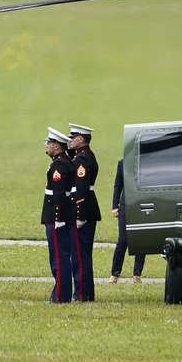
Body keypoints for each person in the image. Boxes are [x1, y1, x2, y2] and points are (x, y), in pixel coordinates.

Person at [67, 123, 100, 301]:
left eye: (73, 138)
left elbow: (80, 189)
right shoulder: (84, 156)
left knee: (80, 256)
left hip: (83, 211)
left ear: (81, 139)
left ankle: (82, 294)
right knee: (81, 254)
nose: (70, 140)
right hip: (87, 209)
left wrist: (78, 215)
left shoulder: (82, 160)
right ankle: (84, 293)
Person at [43, 127, 76, 304]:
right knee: (61, 256)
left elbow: (58, 194)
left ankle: (60, 296)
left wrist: (57, 219)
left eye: (48, 143)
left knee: (58, 258)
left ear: (57, 146)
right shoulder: (64, 161)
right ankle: (61, 294)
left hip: (58, 219)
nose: (46, 146)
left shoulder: (59, 165)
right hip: (62, 217)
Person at [108, 158, 145, 284]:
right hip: (125, 205)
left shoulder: (145, 162)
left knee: (140, 239)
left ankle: (137, 274)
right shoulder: (122, 163)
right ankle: (115, 274)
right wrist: (114, 206)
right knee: (123, 240)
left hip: (142, 205)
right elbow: (118, 184)